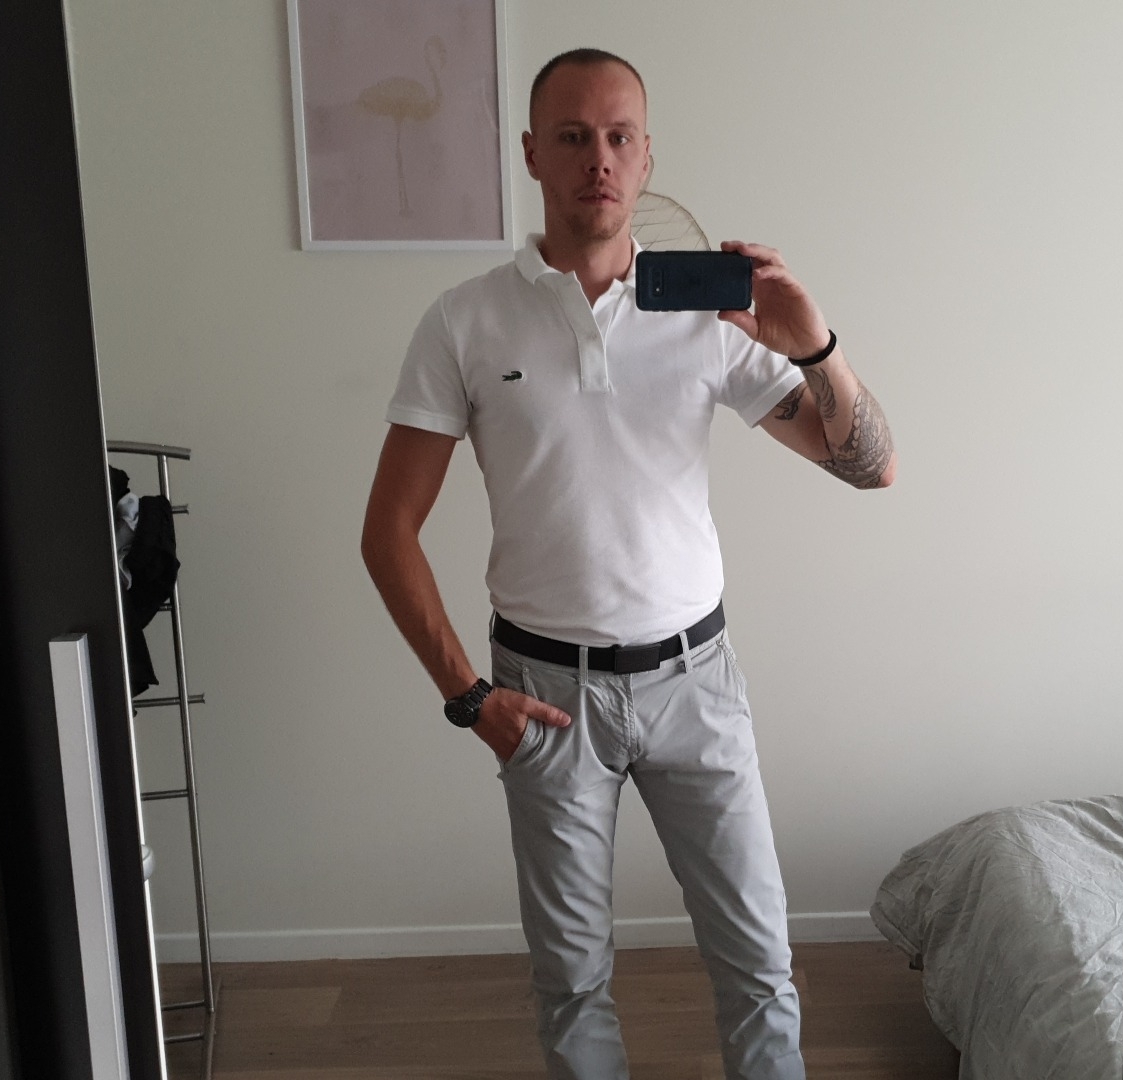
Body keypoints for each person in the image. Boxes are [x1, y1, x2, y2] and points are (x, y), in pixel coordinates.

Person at [360, 47, 896, 1080]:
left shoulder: (709, 316)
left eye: (618, 138)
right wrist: (470, 699)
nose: (596, 160)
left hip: (697, 683)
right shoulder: (465, 320)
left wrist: (814, 344)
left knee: (759, 968)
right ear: (532, 154)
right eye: (572, 137)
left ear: (647, 158)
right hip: (544, 696)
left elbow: (871, 468)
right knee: (571, 985)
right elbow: (388, 531)